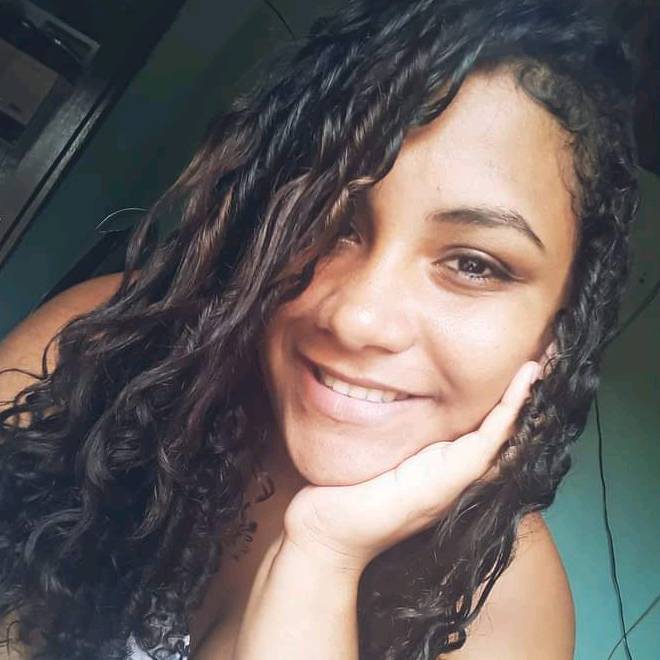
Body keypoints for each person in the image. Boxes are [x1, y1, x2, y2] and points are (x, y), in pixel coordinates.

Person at [0, 0, 639, 658]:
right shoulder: (106, 345)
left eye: (473, 264)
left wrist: (322, 555)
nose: (357, 317)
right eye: (329, 221)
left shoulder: (504, 609)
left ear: (561, 325)